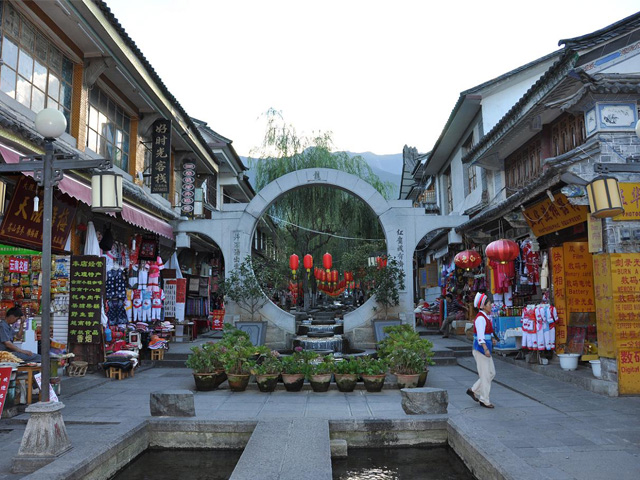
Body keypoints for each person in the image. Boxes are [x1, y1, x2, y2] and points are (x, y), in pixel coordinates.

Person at [466, 292, 497, 408]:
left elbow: (486, 334)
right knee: (485, 375)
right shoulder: (480, 319)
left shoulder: (485, 317)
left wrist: (491, 340)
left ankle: (473, 390)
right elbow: (480, 337)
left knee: (491, 373)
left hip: (484, 349)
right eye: (489, 304)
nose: (491, 305)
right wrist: (485, 348)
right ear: (483, 306)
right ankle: (484, 400)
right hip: (481, 350)